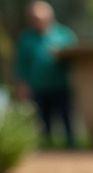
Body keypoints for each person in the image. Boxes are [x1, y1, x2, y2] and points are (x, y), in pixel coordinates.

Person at [15, 2, 77, 147]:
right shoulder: (26, 38)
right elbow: (21, 64)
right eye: (34, 18)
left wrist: (61, 56)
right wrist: (22, 85)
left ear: (50, 16)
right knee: (42, 121)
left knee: (66, 118)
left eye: (40, 18)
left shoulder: (64, 34)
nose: (37, 21)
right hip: (38, 86)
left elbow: (76, 60)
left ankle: (72, 147)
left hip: (61, 85)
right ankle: (46, 148)